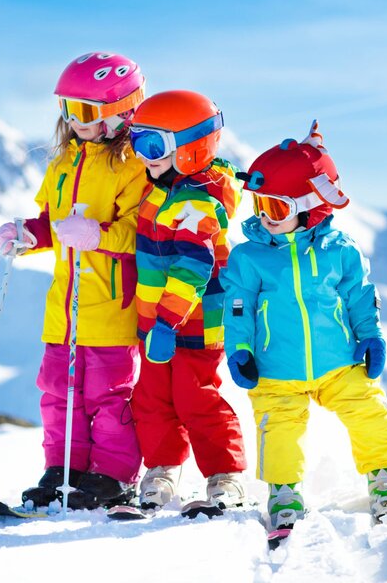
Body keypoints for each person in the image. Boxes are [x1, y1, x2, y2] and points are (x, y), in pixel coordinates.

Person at [221, 121, 387, 531]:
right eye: (260, 205)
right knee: (278, 428)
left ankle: (384, 475)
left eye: (276, 208)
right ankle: (284, 491)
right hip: (275, 367)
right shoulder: (249, 257)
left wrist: (370, 335)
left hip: (338, 360)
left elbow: (360, 295)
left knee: (368, 410)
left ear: (311, 208)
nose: (265, 217)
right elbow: (238, 307)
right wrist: (240, 349)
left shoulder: (339, 250)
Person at [0, 52, 147, 510]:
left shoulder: (134, 167)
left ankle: (113, 474)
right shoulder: (62, 164)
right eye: (67, 108)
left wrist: (98, 235)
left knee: (107, 397)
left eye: (84, 110)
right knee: (58, 395)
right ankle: (63, 469)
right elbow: (51, 224)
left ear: (121, 112)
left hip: (111, 306)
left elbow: (141, 233)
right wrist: (26, 235)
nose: (73, 120)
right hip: (64, 309)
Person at [127, 90, 248, 512]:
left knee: (196, 398)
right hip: (155, 322)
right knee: (152, 398)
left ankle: (225, 476)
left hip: (192, 324)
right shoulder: (161, 188)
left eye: (153, 145)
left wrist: (166, 322)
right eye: (136, 141)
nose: (143, 156)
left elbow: (192, 268)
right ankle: (162, 468)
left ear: (190, 149)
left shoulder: (196, 202)